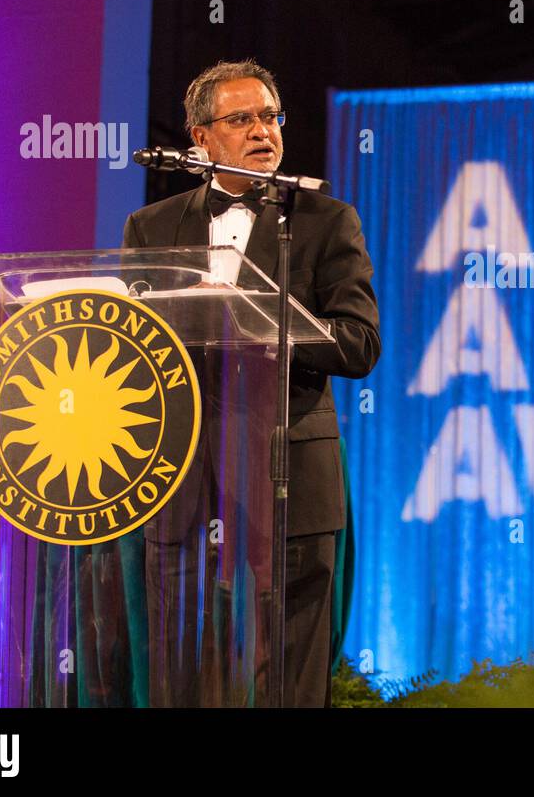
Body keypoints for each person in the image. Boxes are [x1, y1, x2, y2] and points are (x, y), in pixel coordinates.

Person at [121, 59, 379, 706]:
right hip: (183, 484)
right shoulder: (151, 229)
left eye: (271, 116)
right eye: (242, 119)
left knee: (289, 681)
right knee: (185, 676)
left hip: (290, 480)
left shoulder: (324, 220)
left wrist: (264, 320)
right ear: (201, 139)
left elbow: (360, 343)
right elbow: (133, 355)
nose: (263, 130)